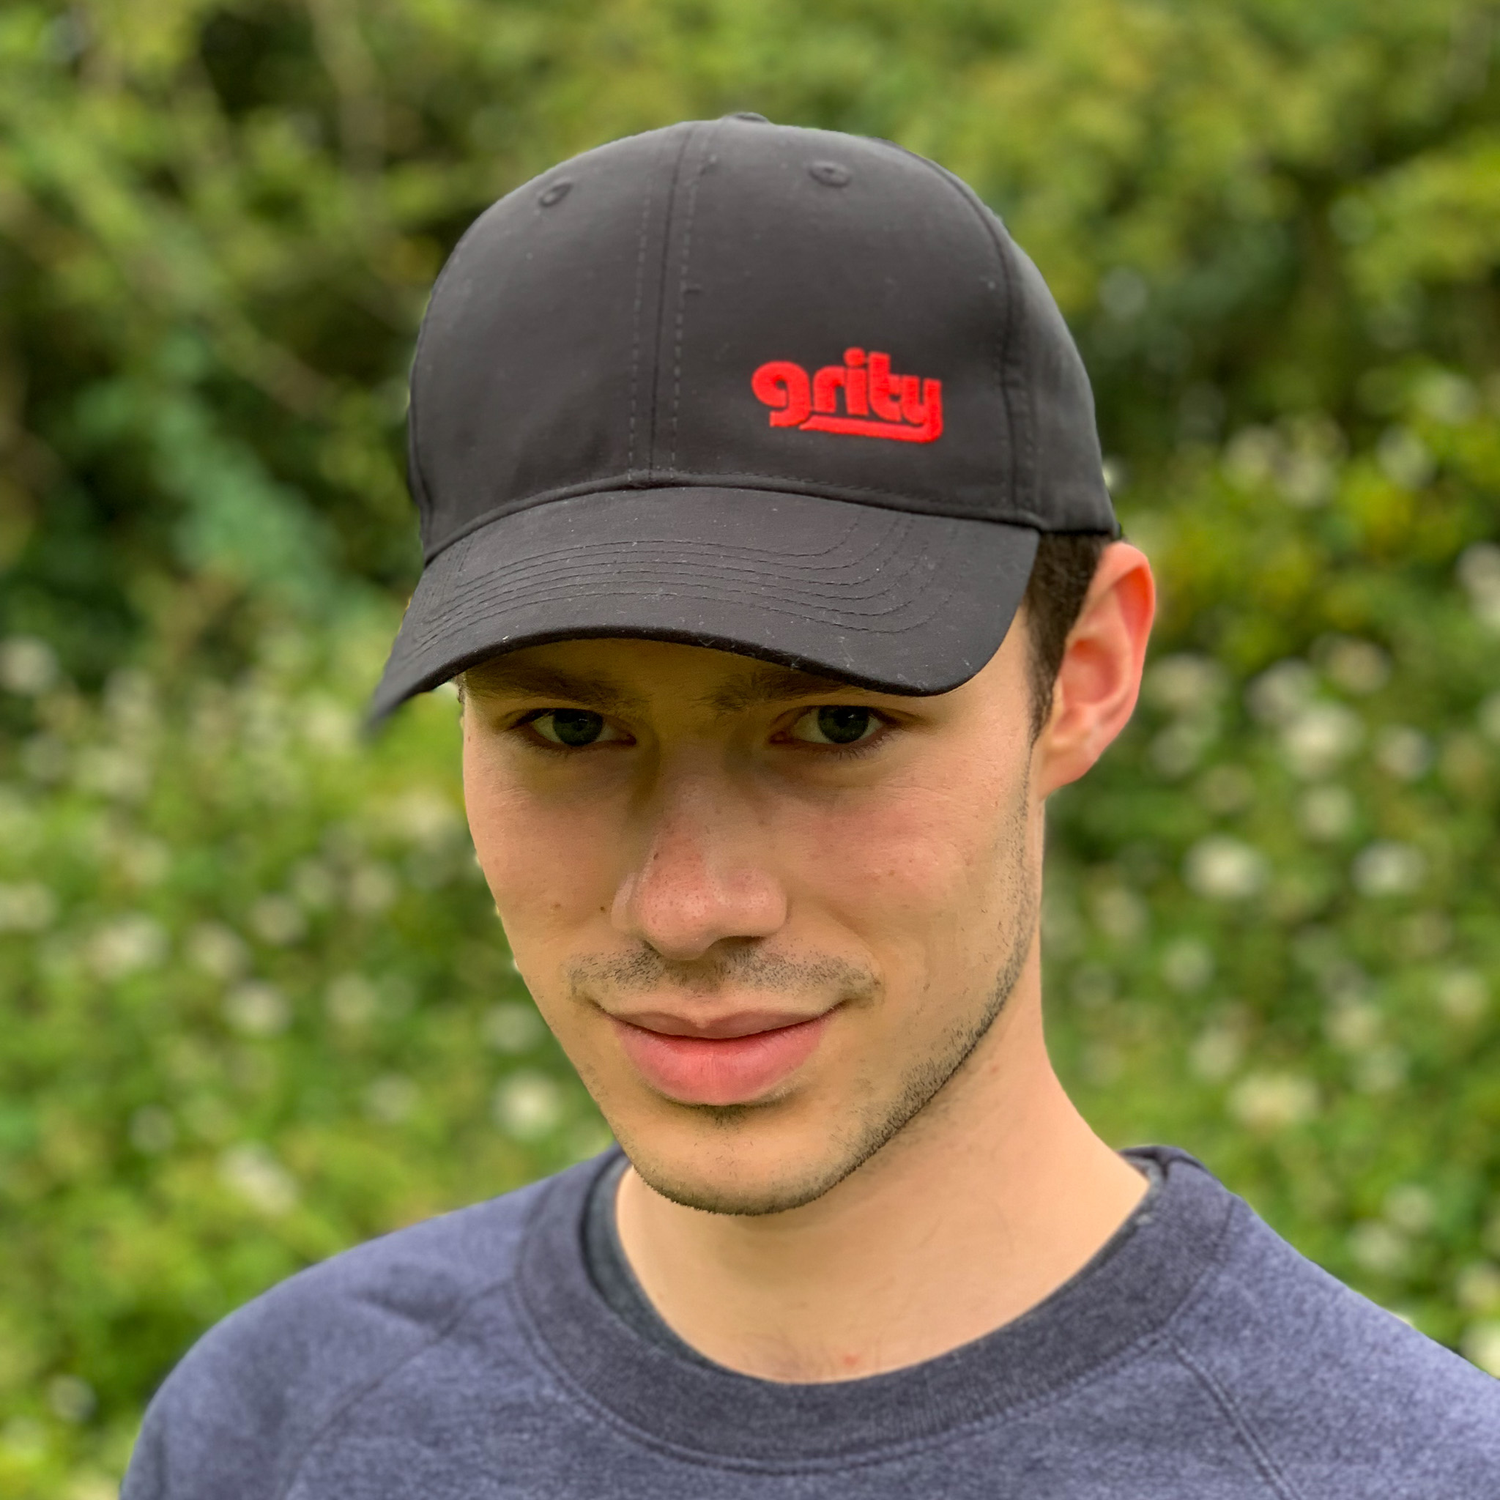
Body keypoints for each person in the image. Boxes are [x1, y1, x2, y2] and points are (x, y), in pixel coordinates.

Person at [123, 116, 1498, 1498]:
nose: (690, 907)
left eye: (836, 725)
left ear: (1082, 677)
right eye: (568, 727)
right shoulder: (278, 1428)